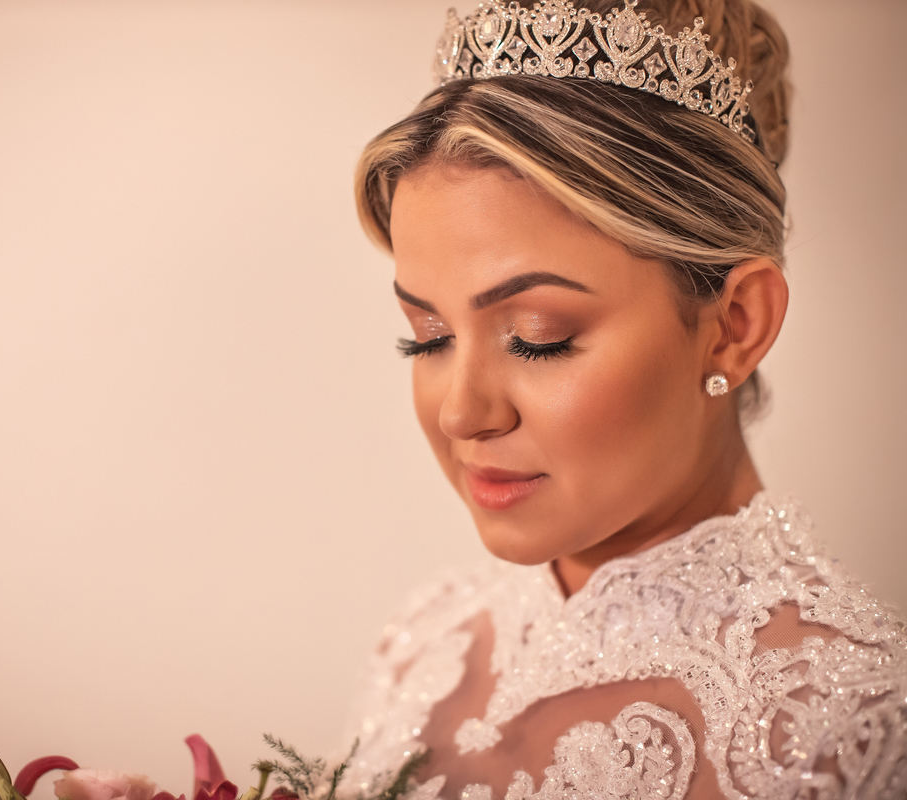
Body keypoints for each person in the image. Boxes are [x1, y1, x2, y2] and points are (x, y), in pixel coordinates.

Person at [339, 1, 907, 798]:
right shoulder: (423, 645)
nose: (462, 414)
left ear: (734, 326)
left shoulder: (852, 725)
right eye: (428, 336)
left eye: (538, 335)